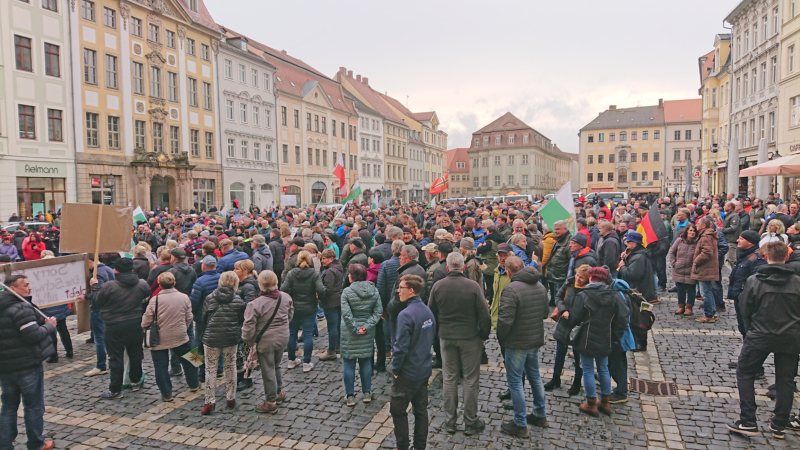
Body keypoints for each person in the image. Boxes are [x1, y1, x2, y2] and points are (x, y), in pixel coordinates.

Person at [728, 241, 800, 439]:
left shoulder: (754, 280)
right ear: (786, 257)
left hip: (760, 334)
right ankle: (780, 423)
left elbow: (745, 308)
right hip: (790, 337)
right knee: (785, 380)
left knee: (745, 373)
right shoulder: (796, 281)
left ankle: (748, 420)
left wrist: (752, 327)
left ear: (766, 256)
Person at [428, 252, 491, 436]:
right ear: (463, 267)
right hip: (470, 337)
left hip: (446, 337)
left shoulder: (438, 286)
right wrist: (483, 335)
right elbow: (484, 315)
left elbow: (431, 312)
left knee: (449, 378)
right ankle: (471, 421)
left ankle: (450, 422)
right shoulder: (472, 287)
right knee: (471, 379)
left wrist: (438, 334)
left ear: (447, 268)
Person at [0, 274, 56, 450]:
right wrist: (49, 326)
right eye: (25, 285)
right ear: (13, 289)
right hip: (27, 366)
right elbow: (33, 335)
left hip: (5, 366)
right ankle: (36, 443)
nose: (29, 288)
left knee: (8, 407)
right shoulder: (21, 309)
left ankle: (5, 443)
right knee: (33, 406)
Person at [496, 256, 550, 437]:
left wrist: (501, 338)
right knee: (535, 376)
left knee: (515, 381)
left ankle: (520, 422)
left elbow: (505, 321)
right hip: (534, 339)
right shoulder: (541, 287)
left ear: (508, 271)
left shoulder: (511, 289)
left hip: (517, 341)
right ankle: (539, 414)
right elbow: (544, 313)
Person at [569, 267, 628, 417]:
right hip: (606, 337)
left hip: (587, 338)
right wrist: (615, 336)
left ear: (591, 278)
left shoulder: (584, 295)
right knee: (603, 369)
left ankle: (591, 404)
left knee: (588, 369)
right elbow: (623, 318)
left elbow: (575, 317)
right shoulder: (614, 295)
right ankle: (606, 402)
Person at [92, 257, 151, 399]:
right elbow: (146, 295)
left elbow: (97, 300)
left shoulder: (109, 286)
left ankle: (115, 389)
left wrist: (94, 286)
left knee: (115, 358)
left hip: (114, 326)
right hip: (135, 323)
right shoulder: (142, 284)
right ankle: (135, 381)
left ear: (116, 270)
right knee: (136, 353)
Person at [390, 274, 435, 450]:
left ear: (411, 290)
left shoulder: (405, 314)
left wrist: (395, 368)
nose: (398, 290)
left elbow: (400, 347)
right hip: (423, 370)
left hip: (407, 373)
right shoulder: (427, 311)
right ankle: (419, 446)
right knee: (421, 411)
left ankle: (402, 446)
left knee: (398, 411)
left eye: (400, 287)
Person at [141, 272, 199, 402]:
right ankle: (194, 384)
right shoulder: (184, 297)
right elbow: (189, 317)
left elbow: (146, 321)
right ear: (174, 283)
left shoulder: (155, 300)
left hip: (159, 338)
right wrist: (184, 326)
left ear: (160, 285)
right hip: (180, 334)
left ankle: (167, 393)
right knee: (192, 359)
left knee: (160, 366)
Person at [242, 270, 294, 414]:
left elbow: (248, 327)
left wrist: (248, 340)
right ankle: (278, 392)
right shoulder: (286, 297)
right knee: (276, 365)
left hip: (265, 341)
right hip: (282, 337)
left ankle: (270, 401)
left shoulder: (255, 304)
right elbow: (290, 315)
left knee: (268, 370)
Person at [200, 271, 246, 415]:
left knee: (210, 369)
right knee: (230, 366)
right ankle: (230, 397)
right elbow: (240, 321)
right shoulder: (239, 301)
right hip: (231, 338)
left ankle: (209, 401)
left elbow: (203, 319)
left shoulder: (209, 298)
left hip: (211, 338)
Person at [340, 264, 383, 406]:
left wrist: (354, 328)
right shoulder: (374, 291)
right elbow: (377, 312)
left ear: (352, 276)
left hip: (350, 332)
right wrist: (366, 327)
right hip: (367, 332)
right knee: (365, 361)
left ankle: (350, 395)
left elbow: (346, 314)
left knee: (349, 362)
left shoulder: (347, 292)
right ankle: (367, 392)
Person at [545, 264, 590, 395]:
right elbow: (559, 297)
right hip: (564, 323)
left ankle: (577, 382)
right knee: (560, 352)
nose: (578, 279)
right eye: (577, 275)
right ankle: (555, 378)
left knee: (578, 356)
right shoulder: (569, 283)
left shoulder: (589, 290)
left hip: (578, 327)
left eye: (582, 278)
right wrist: (563, 309)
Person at [281, 251, 325, 373]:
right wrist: (318, 298)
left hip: (294, 307)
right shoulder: (314, 274)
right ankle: (306, 362)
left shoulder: (291, 273)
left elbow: (283, 289)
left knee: (292, 333)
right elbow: (321, 289)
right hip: (309, 307)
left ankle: (291, 360)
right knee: (308, 334)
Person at [727, 230, 766, 365]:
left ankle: (754, 366)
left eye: (741, 238)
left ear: (750, 242)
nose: (738, 240)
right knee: (744, 331)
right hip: (740, 298)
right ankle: (746, 361)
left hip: (746, 300)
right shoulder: (745, 255)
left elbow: (756, 281)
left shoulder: (756, 258)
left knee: (750, 332)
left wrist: (743, 296)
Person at [618, 232, 656, 350]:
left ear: (635, 243)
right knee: (635, 317)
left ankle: (640, 343)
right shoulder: (636, 254)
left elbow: (632, 274)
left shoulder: (639, 257)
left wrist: (622, 266)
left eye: (628, 242)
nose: (626, 243)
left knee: (639, 318)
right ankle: (636, 342)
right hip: (637, 292)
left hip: (640, 293)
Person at [692, 217, 720, 323]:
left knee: (705, 292)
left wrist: (696, 261)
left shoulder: (705, 236)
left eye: (698, 223)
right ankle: (711, 312)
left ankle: (708, 315)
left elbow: (707, 252)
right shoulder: (707, 235)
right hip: (707, 267)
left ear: (704, 226)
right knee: (708, 290)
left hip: (705, 268)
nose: (696, 225)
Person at [318, 248, 344, 362]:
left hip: (331, 302)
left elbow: (327, 289)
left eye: (324, 259)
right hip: (337, 299)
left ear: (331, 259)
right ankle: (337, 346)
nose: (322, 261)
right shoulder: (338, 268)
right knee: (337, 325)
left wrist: (319, 294)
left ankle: (331, 350)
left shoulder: (329, 272)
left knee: (332, 327)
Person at [669, 224, 698, 315]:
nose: (692, 233)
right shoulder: (679, 241)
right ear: (687, 231)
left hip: (691, 270)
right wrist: (674, 263)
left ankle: (689, 307)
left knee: (691, 290)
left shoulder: (697, 242)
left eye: (694, 231)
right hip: (679, 269)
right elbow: (672, 252)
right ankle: (681, 306)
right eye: (690, 231)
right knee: (680, 289)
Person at [722, 202, 741, 266]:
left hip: (732, 240)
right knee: (730, 259)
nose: (723, 207)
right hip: (728, 239)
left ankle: (736, 273)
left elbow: (733, 228)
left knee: (732, 259)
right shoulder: (728, 215)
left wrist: (722, 229)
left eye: (725, 205)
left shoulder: (734, 216)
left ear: (730, 207)